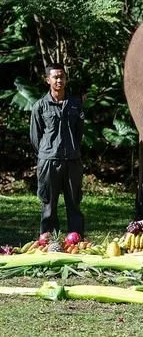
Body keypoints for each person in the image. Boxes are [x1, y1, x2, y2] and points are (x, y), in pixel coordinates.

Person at [30, 63, 85, 236]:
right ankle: (48, 238)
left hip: (72, 161)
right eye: (55, 77)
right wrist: (47, 152)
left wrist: (72, 149)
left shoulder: (75, 105)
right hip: (49, 162)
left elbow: (79, 133)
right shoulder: (40, 106)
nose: (59, 80)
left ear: (66, 79)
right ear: (48, 80)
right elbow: (35, 137)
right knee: (49, 202)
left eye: (62, 77)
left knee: (74, 202)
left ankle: (76, 238)